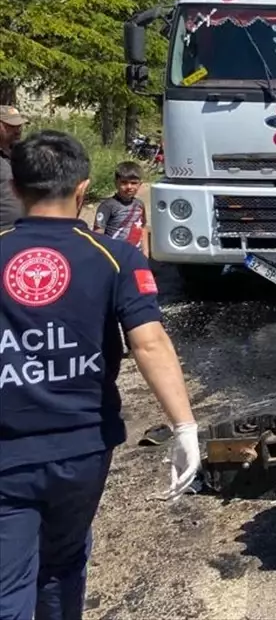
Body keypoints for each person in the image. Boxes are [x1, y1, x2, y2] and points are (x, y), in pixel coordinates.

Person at [0, 130, 200, 620]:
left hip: (6, 449)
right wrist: (185, 428)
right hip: (83, 447)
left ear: (15, 189)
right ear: (84, 187)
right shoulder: (115, 257)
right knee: (64, 563)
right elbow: (149, 342)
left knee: (7, 580)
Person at [92, 161, 149, 257]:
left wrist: (145, 252)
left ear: (140, 184)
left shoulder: (139, 204)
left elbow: (143, 227)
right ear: (116, 183)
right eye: (124, 182)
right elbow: (98, 233)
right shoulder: (107, 206)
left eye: (133, 183)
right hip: (114, 256)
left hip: (135, 255)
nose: (129, 187)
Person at [0, 105, 26, 231]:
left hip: (23, 233)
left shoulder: (23, 153)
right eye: (11, 126)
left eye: (19, 126)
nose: (17, 130)